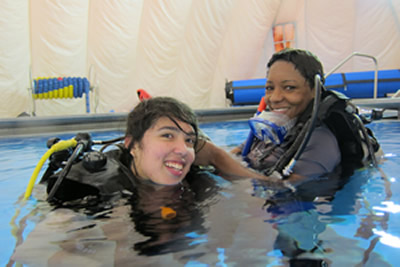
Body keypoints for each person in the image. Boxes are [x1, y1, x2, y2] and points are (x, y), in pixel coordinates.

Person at [195, 48, 381, 190]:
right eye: (269, 88)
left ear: (315, 90)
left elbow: (287, 190)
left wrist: (216, 157)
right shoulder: (272, 125)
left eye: (289, 88)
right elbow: (240, 152)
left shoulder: (320, 140)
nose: (275, 98)